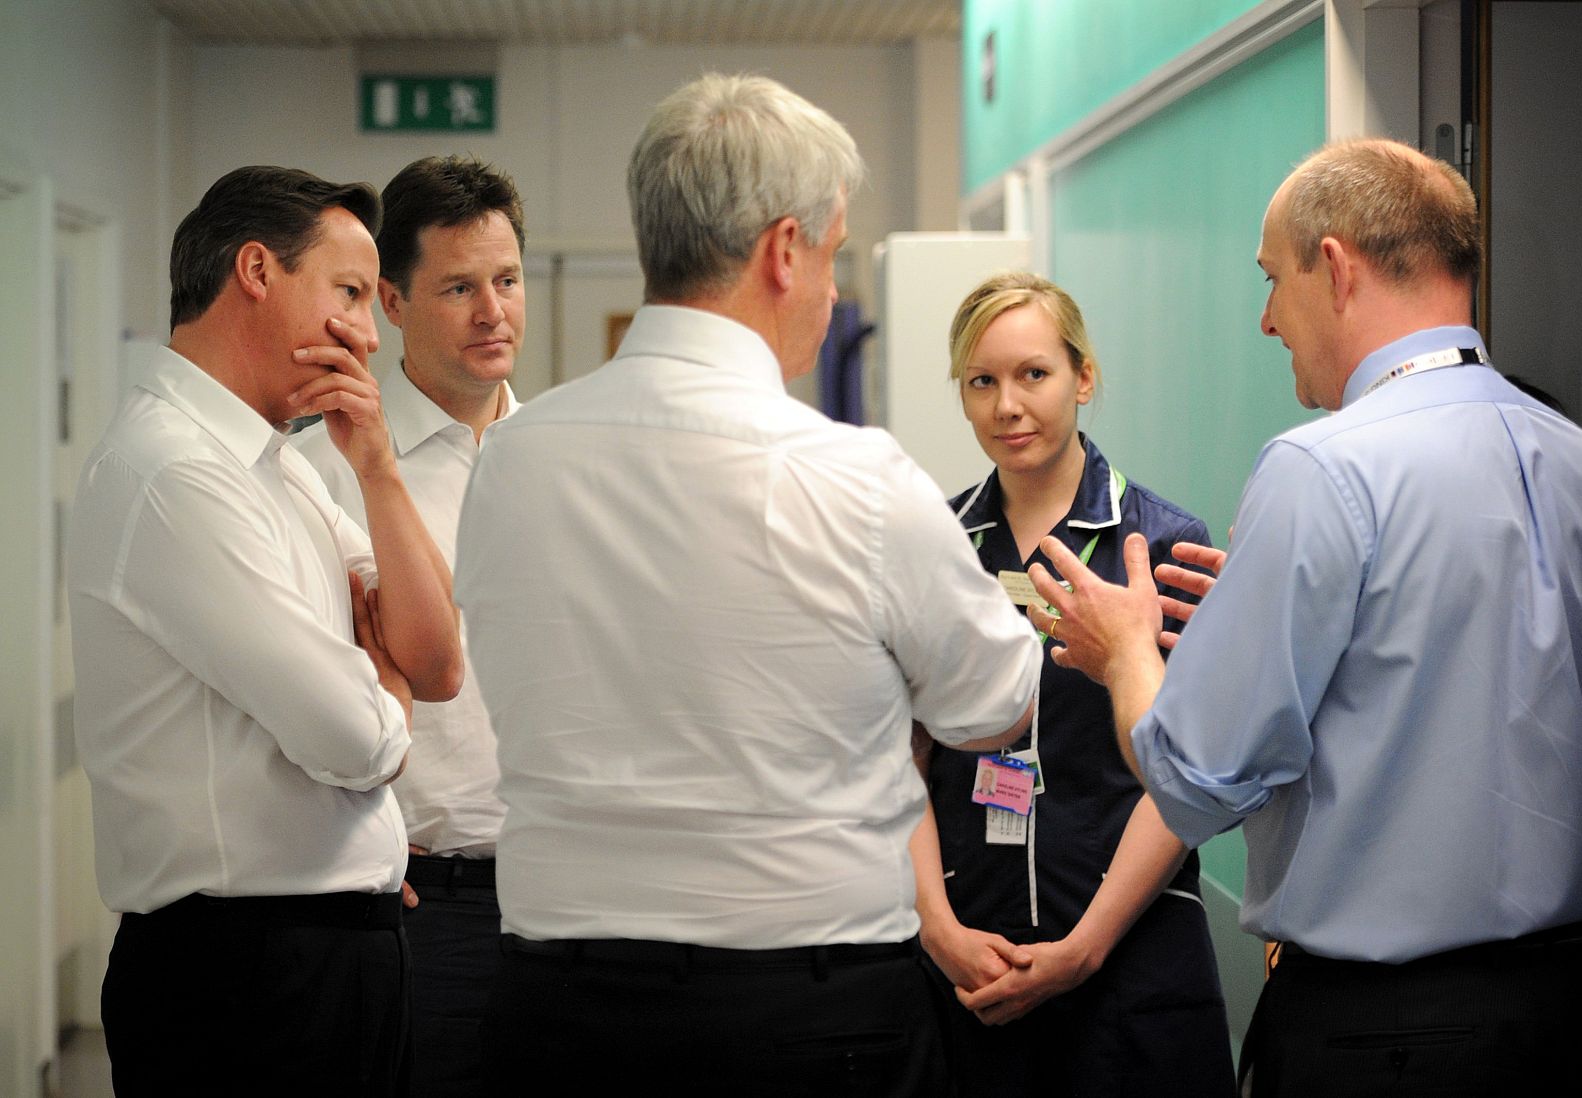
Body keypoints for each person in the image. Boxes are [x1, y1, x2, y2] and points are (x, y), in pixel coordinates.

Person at [455, 72, 1042, 1094]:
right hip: (807, 1024)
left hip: (557, 1016)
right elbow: (994, 704)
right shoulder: (854, 478)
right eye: (831, 251)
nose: (828, 284)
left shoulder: (511, 460)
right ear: (782, 251)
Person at [1033, 139, 1582, 1096]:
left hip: (1379, 1039)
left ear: (1333, 268)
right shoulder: (1569, 453)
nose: (1264, 320)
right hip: (1559, 1020)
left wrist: (1127, 654)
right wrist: (1268, 632)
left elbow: (1196, 787)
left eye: (1271, 280)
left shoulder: (1323, 468)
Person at [69, 166, 464, 1095]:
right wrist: (385, 687)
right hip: (242, 977)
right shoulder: (174, 472)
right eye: (352, 293)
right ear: (256, 269)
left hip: (325, 960)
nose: (370, 334)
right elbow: (359, 738)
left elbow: (438, 658)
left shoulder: (273, 462)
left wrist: (376, 468)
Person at [911, 272, 1233, 1097]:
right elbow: (896, 761)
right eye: (981, 382)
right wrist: (938, 929)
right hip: (968, 959)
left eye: (1034, 375)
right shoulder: (936, 545)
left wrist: (1086, 945)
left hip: (1127, 957)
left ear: (1083, 377)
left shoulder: (1160, 545)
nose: (1007, 406)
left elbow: (1184, 773)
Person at [293, 154, 524, 1098]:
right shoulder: (324, 474)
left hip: (576, 902)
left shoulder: (565, 461)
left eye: (506, 281)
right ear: (390, 301)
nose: (493, 313)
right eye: (459, 287)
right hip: (426, 912)